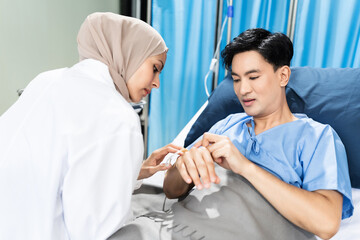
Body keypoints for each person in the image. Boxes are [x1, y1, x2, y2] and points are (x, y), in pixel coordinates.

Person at [0, 12, 182, 239]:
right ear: (130, 53)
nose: (156, 83)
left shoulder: (47, 80)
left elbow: (50, 168)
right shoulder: (119, 117)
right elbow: (98, 231)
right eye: (155, 67)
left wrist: (133, 171)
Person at [162, 28, 353, 239]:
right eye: (236, 79)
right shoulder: (226, 125)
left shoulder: (317, 138)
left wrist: (244, 166)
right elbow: (171, 189)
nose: (243, 90)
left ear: (283, 76)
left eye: (253, 77)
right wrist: (183, 166)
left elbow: (326, 223)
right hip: (178, 225)